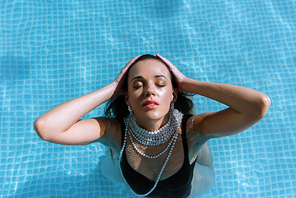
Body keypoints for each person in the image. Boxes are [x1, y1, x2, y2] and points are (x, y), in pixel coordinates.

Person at [34, 54, 270, 197]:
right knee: (105, 172)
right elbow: (46, 128)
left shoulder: (193, 129)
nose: (149, 90)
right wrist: (112, 88)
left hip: (187, 182)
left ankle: (199, 152)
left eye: (160, 83)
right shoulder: (113, 131)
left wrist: (188, 83)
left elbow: (258, 106)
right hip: (129, 156)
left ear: (173, 94)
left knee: (208, 169)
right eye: (137, 85)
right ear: (127, 98)